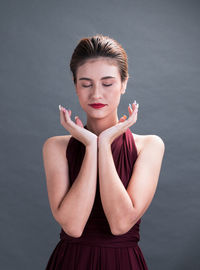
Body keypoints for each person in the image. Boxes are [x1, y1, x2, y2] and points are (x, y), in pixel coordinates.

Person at [42, 34, 165, 269]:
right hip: (71, 262)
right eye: (86, 84)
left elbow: (120, 224)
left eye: (107, 83)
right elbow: (73, 226)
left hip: (122, 262)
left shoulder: (150, 145)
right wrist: (90, 145)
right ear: (75, 86)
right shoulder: (55, 147)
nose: (96, 94)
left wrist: (105, 142)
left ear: (124, 83)